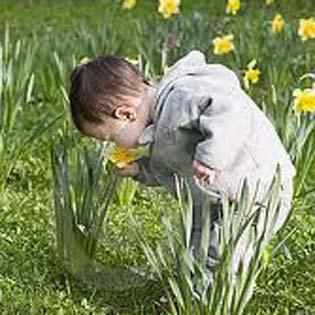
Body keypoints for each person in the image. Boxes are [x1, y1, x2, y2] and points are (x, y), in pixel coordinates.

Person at [68, 49, 296, 300]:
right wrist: (140, 169)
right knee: (197, 239)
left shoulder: (182, 97)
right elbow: (173, 166)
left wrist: (210, 156)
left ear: (125, 114)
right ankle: (189, 292)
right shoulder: (159, 124)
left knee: (224, 250)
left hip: (258, 191)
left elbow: (230, 110)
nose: (113, 143)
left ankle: (211, 302)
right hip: (216, 195)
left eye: (110, 137)